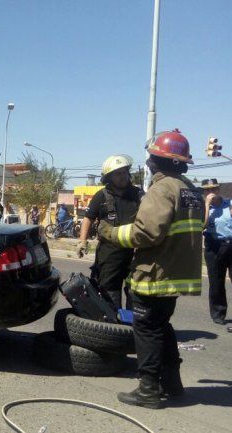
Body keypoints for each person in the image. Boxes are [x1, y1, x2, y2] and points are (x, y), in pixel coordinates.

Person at [97, 129, 203, 409]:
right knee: (161, 326)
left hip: (156, 273)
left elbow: (145, 233)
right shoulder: (190, 188)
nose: (148, 162)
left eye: (151, 156)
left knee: (146, 331)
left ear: (157, 159)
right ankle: (172, 382)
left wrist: (110, 233)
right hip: (177, 273)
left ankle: (148, 391)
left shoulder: (162, 189)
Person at [77, 154, 142, 309]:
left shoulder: (138, 194)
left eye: (125, 172)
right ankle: (114, 326)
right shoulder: (101, 196)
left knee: (136, 289)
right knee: (109, 289)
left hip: (136, 251)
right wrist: (82, 241)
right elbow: (88, 218)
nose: (123, 176)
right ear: (109, 177)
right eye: (118, 174)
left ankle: (134, 325)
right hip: (110, 252)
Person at [200, 178, 232, 325]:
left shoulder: (228, 204)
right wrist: (207, 205)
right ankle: (218, 313)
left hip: (230, 244)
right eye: (207, 190)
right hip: (213, 246)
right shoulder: (203, 207)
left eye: (213, 189)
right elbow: (202, 225)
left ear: (219, 190)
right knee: (216, 282)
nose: (211, 192)